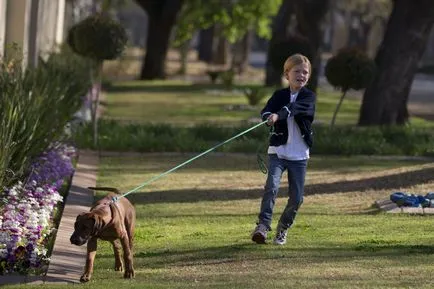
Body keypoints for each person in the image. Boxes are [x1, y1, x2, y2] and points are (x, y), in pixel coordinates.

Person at [251, 53, 316, 245]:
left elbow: (293, 109)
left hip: (299, 155)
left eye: (305, 72)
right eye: (297, 71)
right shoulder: (278, 95)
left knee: (297, 198)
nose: (301, 75)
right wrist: (268, 117)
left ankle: (283, 228)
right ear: (287, 74)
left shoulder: (309, 97)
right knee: (271, 187)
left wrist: (278, 116)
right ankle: (262, 226)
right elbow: (266, 111)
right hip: (278, 152)